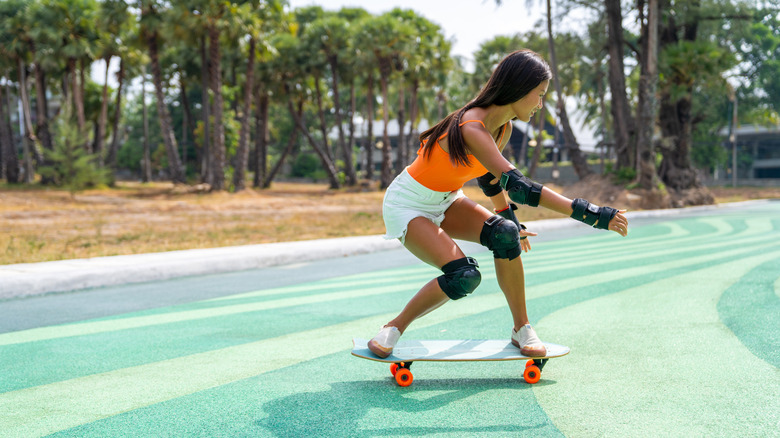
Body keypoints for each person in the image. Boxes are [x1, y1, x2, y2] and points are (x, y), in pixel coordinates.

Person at [367, 49, 628, 359]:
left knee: (505, 234)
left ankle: (522, 328)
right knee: (463, 276)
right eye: (539, 94)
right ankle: (393, 327)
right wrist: (593, 214)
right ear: (520, 88)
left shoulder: (503, 128)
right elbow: (520, 188)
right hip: (408, 204)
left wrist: (510, 219)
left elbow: (490, 179)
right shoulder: (471, 127)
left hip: (447, 200)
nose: (540, 104)